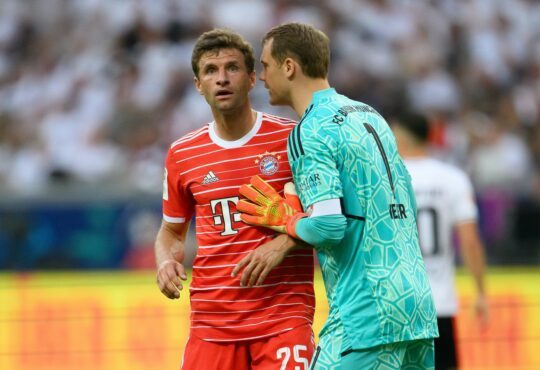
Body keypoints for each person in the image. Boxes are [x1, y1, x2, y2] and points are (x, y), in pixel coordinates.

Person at [234, 23, 438, 369]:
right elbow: (407, 200)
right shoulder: (370, 115)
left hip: (367, 312)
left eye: (266, 65)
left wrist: (288, 220)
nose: (261, 76)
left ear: (289, 67)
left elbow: (329, 225)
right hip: (416, 304)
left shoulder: (310, 130)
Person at [154, 28, 315, 370]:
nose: (222, 78)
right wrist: (166, 262)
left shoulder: (293, 139)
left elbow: (327, 217)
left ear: (252, 78)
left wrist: (283, 242)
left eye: (232, 68)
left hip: (282, 318)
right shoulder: (183, 154)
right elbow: (171, 232)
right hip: (212, 325)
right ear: (198, 85)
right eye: (210, 71)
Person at [392, 111, 489, 370]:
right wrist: (480, 292)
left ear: (399, 136)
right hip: (439, 302)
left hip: (396, 301)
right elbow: (469, 241)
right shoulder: (452, 178)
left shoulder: (387, 179)